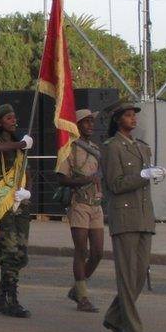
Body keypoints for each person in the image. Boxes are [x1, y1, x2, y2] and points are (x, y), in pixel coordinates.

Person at [102, 102, 165, 332]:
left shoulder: (141, 147)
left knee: (139, 274)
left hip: (144, 216)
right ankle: (132, 328)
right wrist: (142, 176)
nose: (133, 119)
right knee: (127, 275)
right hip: (124, 216)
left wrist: (155, 174)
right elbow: (116, 184)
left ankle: (113, 316)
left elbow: (144, 180)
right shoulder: (111, 148)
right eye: (128, 116)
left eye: (134, 116)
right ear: (118, 120)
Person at [0, 104, 33, 318]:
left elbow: (26, 171)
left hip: (20, 203)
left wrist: (27, 192)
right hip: (3, 205)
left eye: (14, 118)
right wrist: (21, 144)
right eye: (8, 118)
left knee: (21, 256)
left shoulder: (19, 147)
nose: (14, 121)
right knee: (9, 254)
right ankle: (11, 299)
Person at [56, 109, 104, 313]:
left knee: (98, 253)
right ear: (77, 125)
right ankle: (83, 297)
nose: (91, 125)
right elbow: (61, 178)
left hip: (96, 204)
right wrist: (85, 180)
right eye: (86, 122)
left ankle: (77, 288)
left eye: (92, 121)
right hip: (80, 203)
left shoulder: (95, 149)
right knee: (81, 250)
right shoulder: (69, 149)